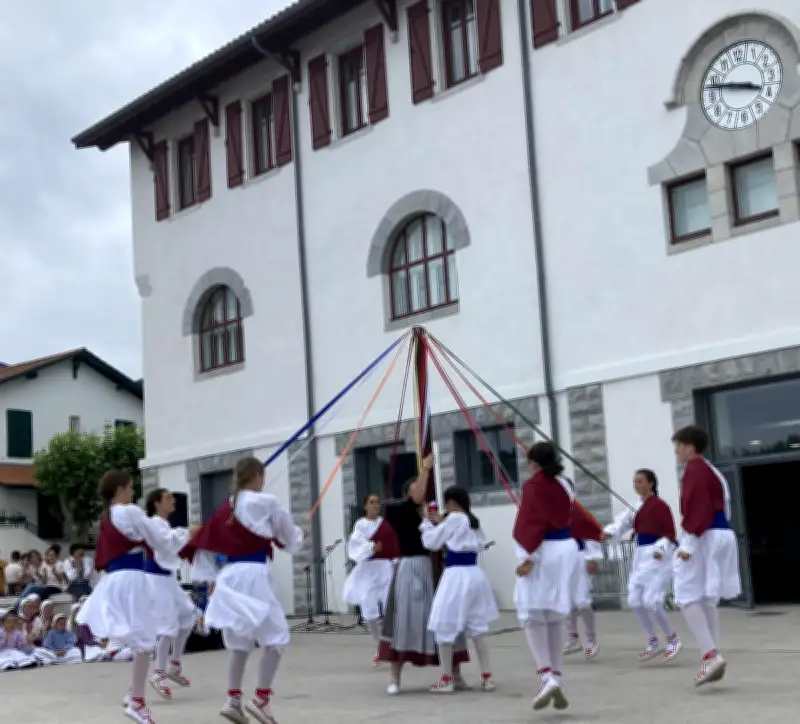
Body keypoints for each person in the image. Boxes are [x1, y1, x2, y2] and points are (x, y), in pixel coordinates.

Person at [180, 456, 304, 724]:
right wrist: (299, 535)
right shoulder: (266, 502)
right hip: (253, 574)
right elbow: (288, 538)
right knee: (277, 636)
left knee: (239, 641)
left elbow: (207, 547)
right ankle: (260, 699)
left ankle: (233, 699)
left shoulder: (227, 507)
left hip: (229, 577)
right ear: (259, 475)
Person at [77, 470, 195, 724]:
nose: (133, 492)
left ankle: (135, 695)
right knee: (143, 640)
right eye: (130, 488)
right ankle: (136, 701)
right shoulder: (128, 511)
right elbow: (160, 539)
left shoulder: (108, 515)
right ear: (120, 489)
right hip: (130, 579)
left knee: (143, 640)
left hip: (117, 579)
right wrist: (187, 533)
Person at [378, 454, 470, 695]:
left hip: (436, 569)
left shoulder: (433, 513)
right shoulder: (401, 511)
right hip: (411, 568)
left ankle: (455, 673)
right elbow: (417, 493)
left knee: (447, 619)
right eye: (414, 488)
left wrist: (440, 522)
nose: (420, 491)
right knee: (403, 621)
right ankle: (395, 678)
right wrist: (426, 468)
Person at [513, 441, 581, 711]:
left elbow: (532, 521)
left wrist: (528, 558)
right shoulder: (565, 484)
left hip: (544, 551)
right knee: (554, 614)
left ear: (533, 463)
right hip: (566, 550)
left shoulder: (533, 486)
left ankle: (546, 675)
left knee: (530, 612)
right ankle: (557, 676)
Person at [671, 425, 741, 686]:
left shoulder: (695, 470)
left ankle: (710, 655)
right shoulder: (712, 470)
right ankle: (710, 654)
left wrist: (687, 543)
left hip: (704, 535)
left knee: (686, 594)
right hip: (722, 533)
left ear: (690, 447)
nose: (677, 451)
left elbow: (697, 508)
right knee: (706, 597)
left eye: (679, 446)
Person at [420, 485, 499, 693]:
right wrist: (441, 523)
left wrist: (426, 523)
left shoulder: (455, 518)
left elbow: (432, 543)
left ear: (452, 502)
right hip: (474, 574)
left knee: (444, 625)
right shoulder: (472, 520)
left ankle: (446, 679)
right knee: (477, 626)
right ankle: (487, 677)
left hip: (456, 575)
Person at [603, 469, 682, 662]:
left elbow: (670, 533)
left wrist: (661, 548)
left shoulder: (660, 506)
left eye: (640, 481)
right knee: (634, 600)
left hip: (657, 555)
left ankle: (672, 640)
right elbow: (622, 522)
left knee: (652, 601)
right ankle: (652, 641)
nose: (636, 485)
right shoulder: (636, 505)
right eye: (634, 481)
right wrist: (609, 532)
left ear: (650, 484)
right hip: (640, 555)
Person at [143, 487, 196, 700]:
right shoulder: (154, 523)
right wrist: (187, 532)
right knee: (167, 625)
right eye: (167, 498)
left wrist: (188, 534)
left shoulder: (163, 524)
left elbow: (173, 543)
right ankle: (159, 673)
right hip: (155, 580)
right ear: (156, 503)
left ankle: (174, 665)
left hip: (167, 579)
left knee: (188, 615)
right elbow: (166, 543)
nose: (172, 500)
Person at [340, 493, 396, 666]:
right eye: (371, 502)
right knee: (370, 611)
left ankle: (392, 645)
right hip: (368, 571)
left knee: (390, 609)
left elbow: (393, 544)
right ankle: (380, 646)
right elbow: (355, 546)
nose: (375, 505)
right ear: (365, 506)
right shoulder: (361, 525)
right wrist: (371, 547)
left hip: (385, 568)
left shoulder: (384, 524)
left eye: (377, 502)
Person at [564, 503, 604, 660]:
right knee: (563, 602)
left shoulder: (575, 510)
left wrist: (592, 557)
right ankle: (573, 638)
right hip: (560, 561)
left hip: (579, 558)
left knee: (582, 601)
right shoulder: (548, 510)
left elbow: (591, 530)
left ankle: (591, 638)